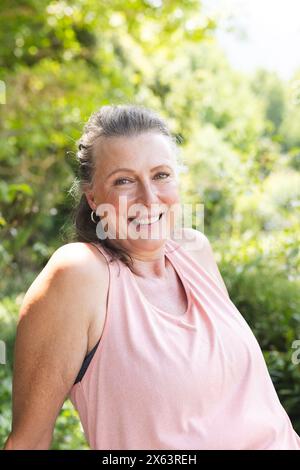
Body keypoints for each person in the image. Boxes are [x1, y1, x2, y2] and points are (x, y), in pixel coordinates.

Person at [3, 105, 300, 450]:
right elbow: (28, 442)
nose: (149, 198)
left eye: (161, 175)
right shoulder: (79, 274)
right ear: (93, 197)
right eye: (124, 181)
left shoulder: (194, 251)